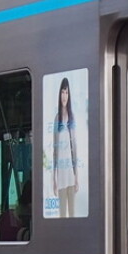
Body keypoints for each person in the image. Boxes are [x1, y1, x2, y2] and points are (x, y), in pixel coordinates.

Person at [49, 77, 81, 217]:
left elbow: (75, 147)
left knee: (72, 213)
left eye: (66, 92)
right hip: (61, 174)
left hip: (70, 173)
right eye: (62, 92)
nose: (64, 96)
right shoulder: (57, 119)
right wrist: (54, 179)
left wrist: (77, 176)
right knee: (62, 215)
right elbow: (55, 150)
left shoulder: (72, 117)